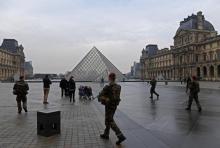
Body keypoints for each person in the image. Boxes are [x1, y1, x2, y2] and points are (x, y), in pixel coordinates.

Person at [98, 73, 126, 145]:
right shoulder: (118, 86)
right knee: (108, 120)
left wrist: (102, 96)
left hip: (109, 106)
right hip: (114, 106)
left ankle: (120, 135)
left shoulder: (107, 87)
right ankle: (106, 134)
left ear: (110, 78)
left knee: (109, 120)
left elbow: (100, 96)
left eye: (109, 78)